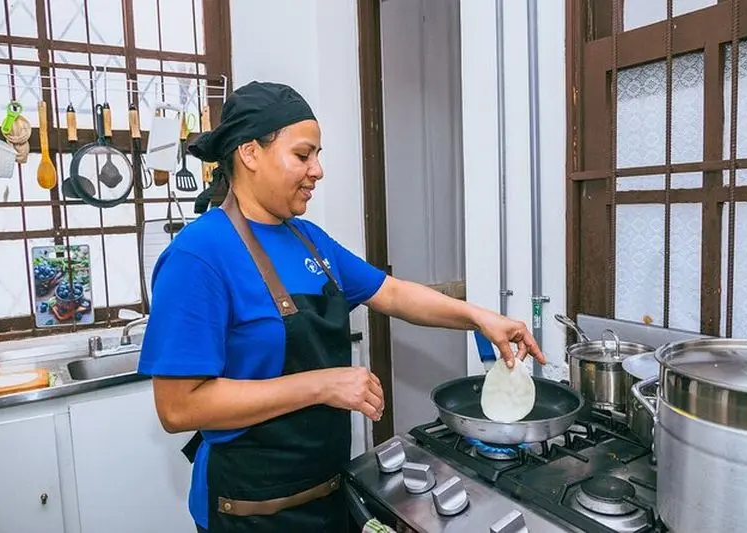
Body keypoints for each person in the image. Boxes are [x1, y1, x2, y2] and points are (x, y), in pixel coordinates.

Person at [137, 80, 545, 533]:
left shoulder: (309, 240)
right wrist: (320, 385)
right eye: (303, 155)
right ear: (250, 154)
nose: (318, 170)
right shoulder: (200, 256)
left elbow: (390, 292)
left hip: (329, 494)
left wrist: (479, 316)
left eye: (318, 155)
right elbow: (178, 408)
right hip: (249, 511)